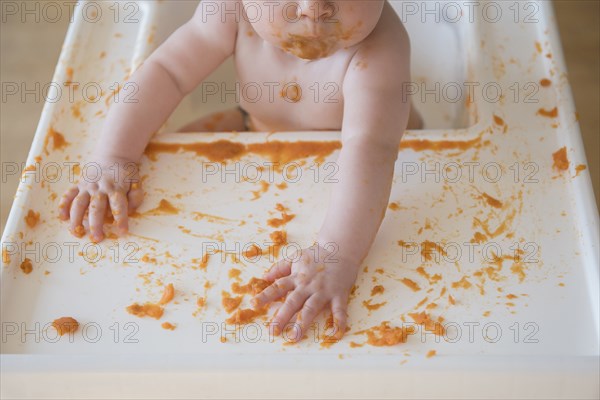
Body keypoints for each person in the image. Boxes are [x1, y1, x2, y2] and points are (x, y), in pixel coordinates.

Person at [58, 0, 422, 342]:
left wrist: (336, 254)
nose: (313, 9)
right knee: (174, 161)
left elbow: (370, 147)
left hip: (379, 165)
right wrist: (115, 157)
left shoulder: (380, 48)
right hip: (257, 131)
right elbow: (168, 72)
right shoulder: (230, 9)